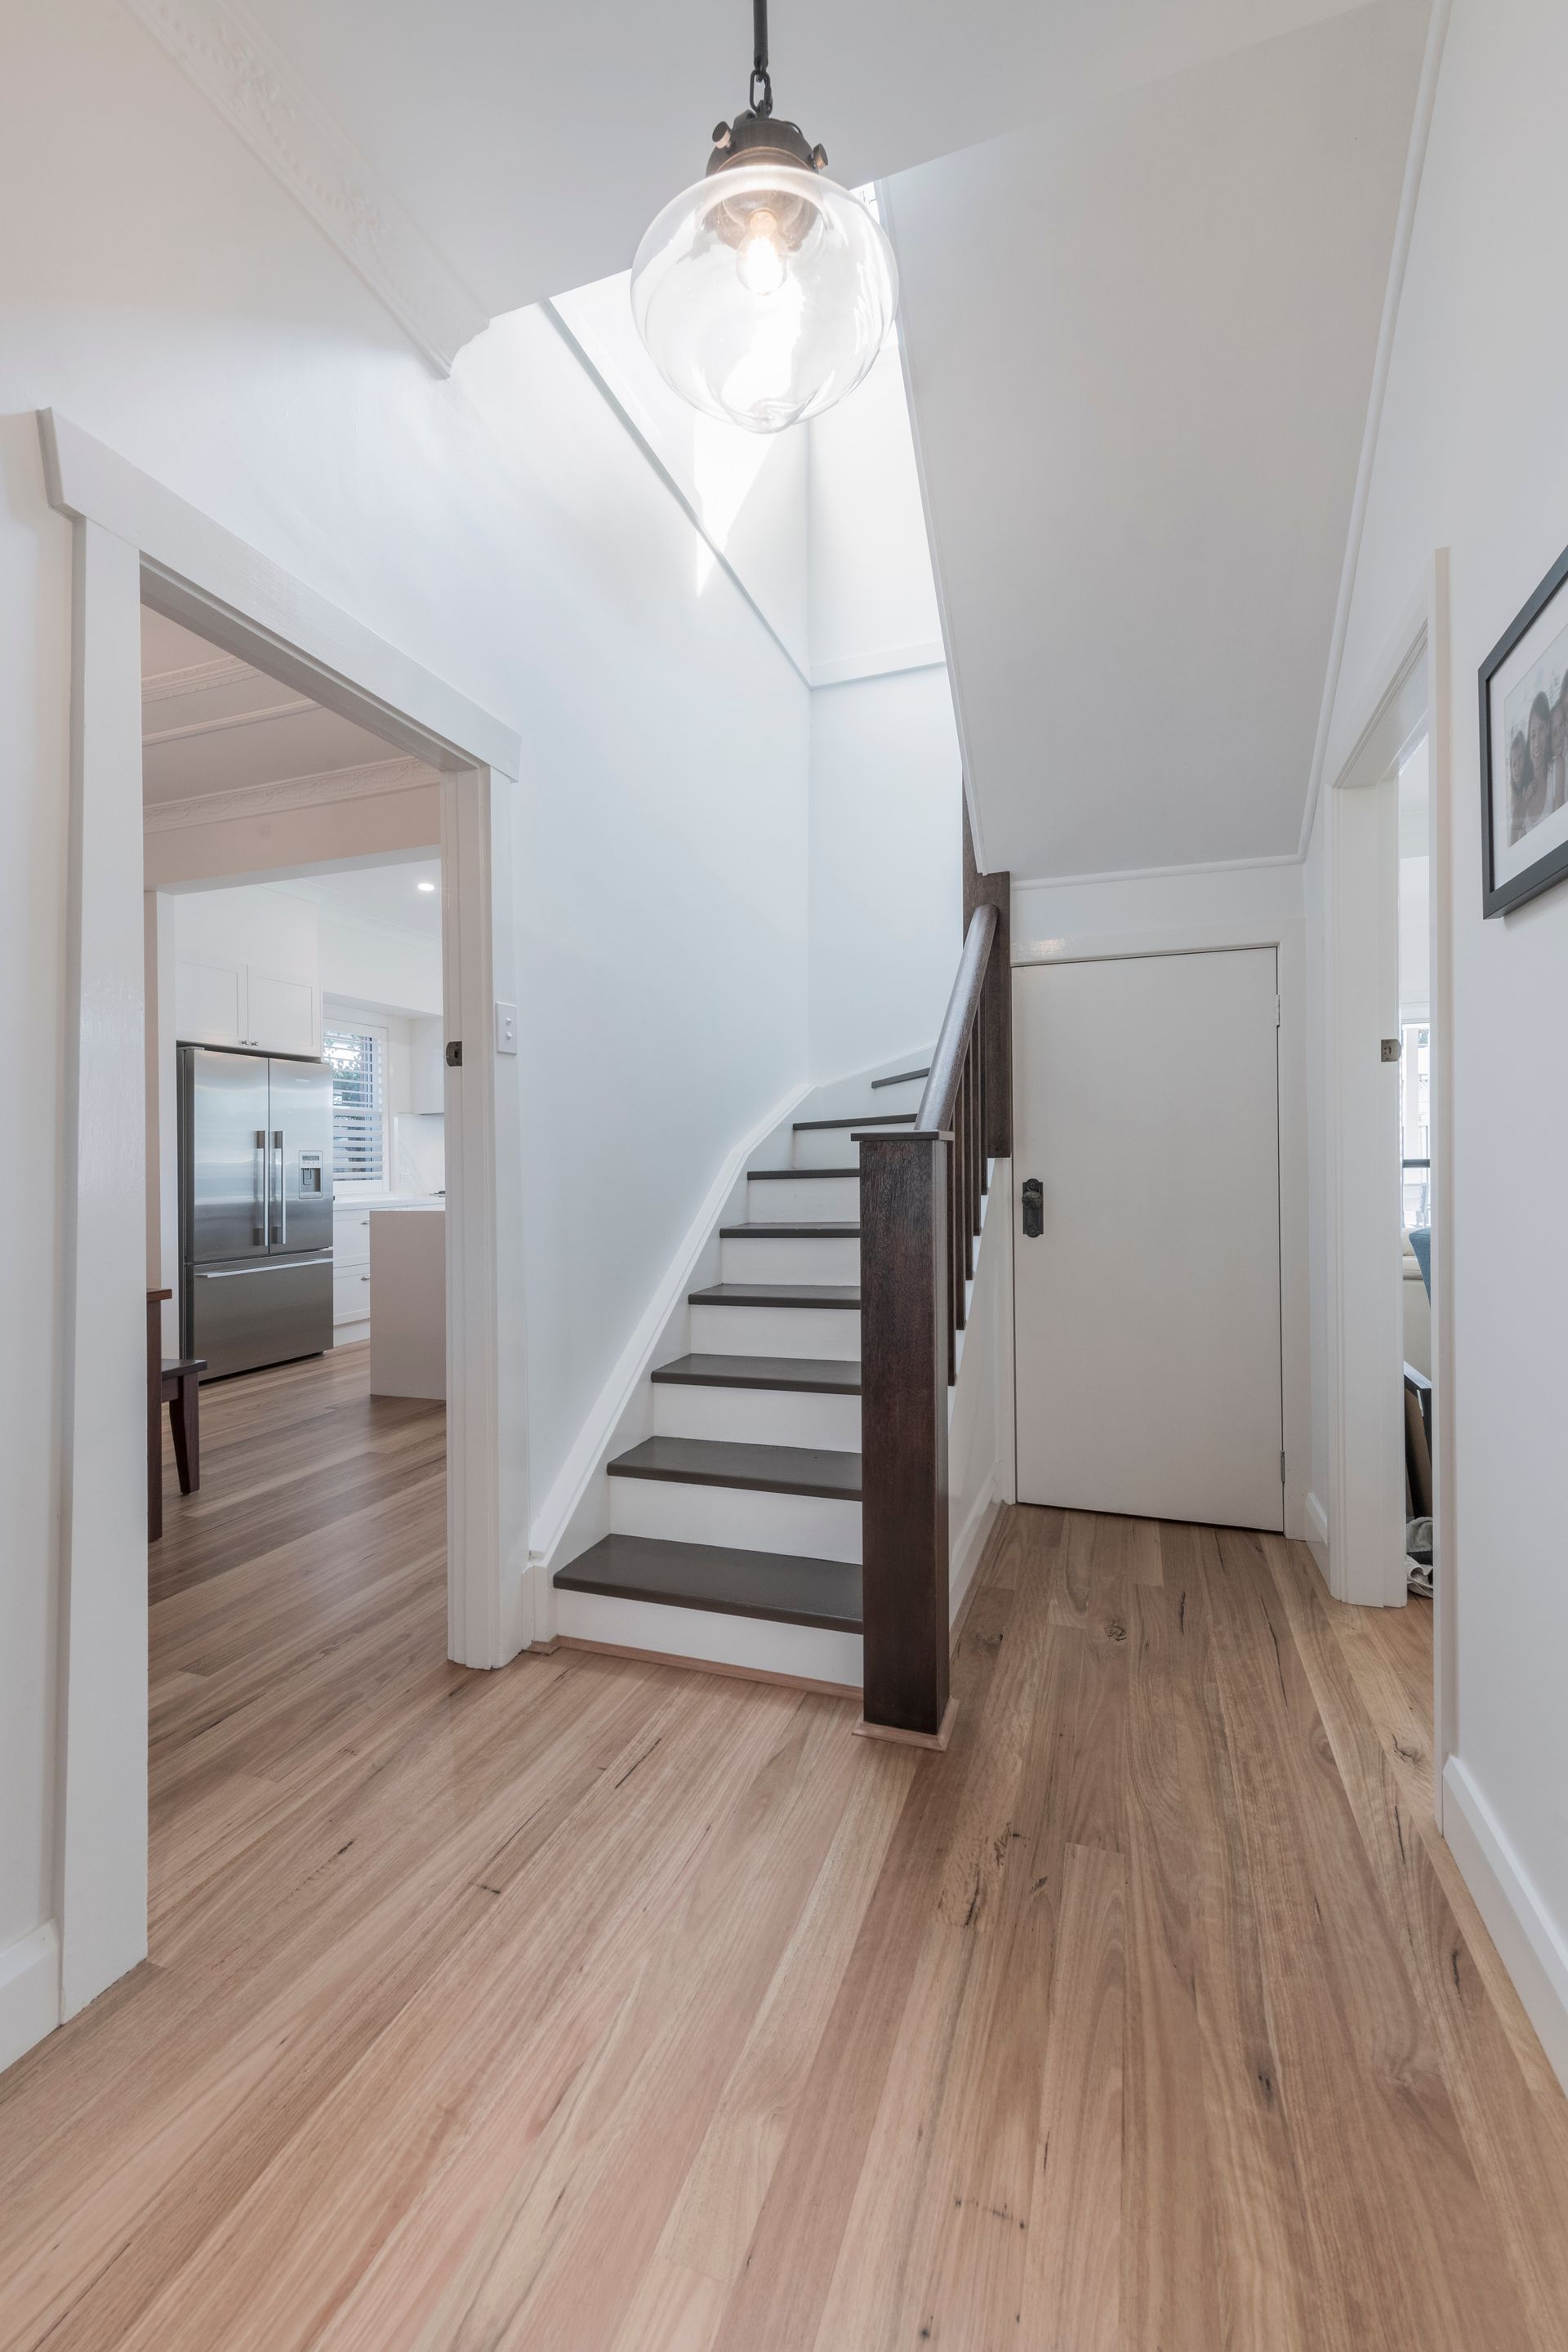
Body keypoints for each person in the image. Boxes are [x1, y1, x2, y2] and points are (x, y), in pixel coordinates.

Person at [1508, 724, 1533, 844]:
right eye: (1514, 764)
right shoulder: (1514, 798)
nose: (1517, 767)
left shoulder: (1528, 784)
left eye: (1520, 758)